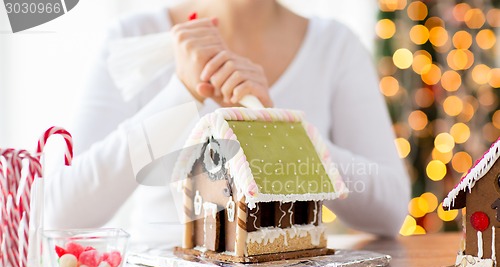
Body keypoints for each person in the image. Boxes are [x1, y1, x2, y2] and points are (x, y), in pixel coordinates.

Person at [45, 0, 410, 242]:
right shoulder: (132, 40)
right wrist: (182, 94)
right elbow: (64, 213)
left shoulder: (335, 46)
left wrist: (280, 132)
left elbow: (389, 211)